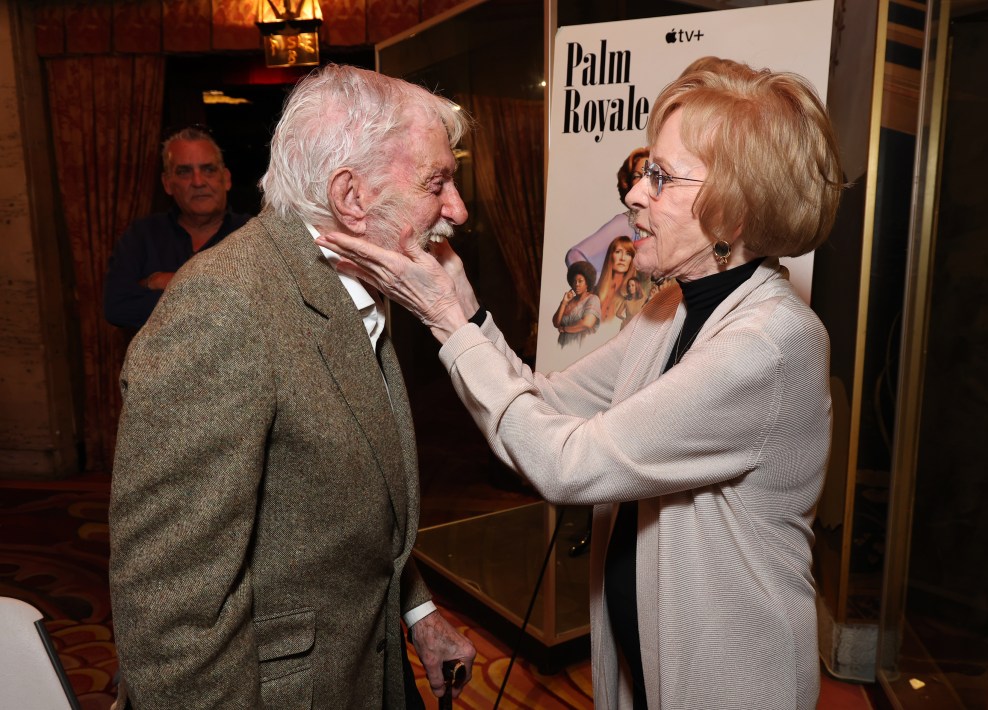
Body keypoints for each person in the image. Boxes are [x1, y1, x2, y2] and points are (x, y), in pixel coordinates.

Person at [316, 56, 843, 709]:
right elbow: (548, 404)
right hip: (645, 656)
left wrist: (447, 324)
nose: (633, 195)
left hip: (731, 677)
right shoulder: (669, 307)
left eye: (660, 176)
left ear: (735, 210)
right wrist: (471, 312)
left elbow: (569, 464)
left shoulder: (770, 343)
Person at [108, 65, 476, 709]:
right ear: (351, 197)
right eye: (437, 183)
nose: (457, 209)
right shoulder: (225, 306)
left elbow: (345, 506)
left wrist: (418, 615)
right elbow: (171, 610)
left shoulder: (351, 284)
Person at [103, 126, 250, 335]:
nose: (198, 182)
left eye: (208, 169)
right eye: (184, 172)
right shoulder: (142, 236)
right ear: (167, 183)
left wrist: (159, 282)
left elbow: (265, 307)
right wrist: (218, 299)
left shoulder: (252, 235)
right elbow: (118, 308)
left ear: (226, 179)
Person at [564, 146, 648, 273]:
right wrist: (600, 288)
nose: (644, 181)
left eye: (651, 175)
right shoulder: (626, 222)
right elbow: (575, 256)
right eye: (637, 176)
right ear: (629, 183)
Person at [553, 260, 601, 347]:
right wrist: (563, 303)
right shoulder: (569, 301)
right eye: (574, 281)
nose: (576, 284)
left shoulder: (593, 299)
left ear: (587, 282)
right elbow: (556, 323)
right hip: (561, 347)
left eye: (580, 281)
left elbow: (587, 323)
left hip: (579, 347)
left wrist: (564, 329)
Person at [594, 235, 638, 323]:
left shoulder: (633, 294)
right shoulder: (594, 291)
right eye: (618, 252)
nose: (622, 258)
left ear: (632, 259)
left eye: (628, 254)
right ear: (610, 256)